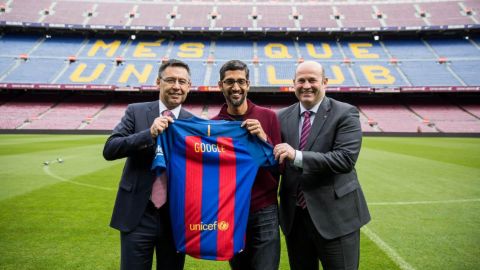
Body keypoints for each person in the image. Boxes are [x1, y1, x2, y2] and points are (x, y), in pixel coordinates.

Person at [273, 61, 371, 270]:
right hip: (295, 219)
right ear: (293, 84)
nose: (306, 85)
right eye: (301, 80)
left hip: (336, 217)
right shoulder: (280, 117)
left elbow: (344, 159)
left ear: (324, 82)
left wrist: (296, 155)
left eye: (312, 80)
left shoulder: (345, 113)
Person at [103, 59, 194, 270]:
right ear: (158, 82)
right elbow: (110, 149)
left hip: (175, 218)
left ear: (189, 86)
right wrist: (148, 134)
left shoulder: (194, 123)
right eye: (170, 80)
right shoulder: (136, 111)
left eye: (182, 81)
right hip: (137, 215)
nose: (176, 86)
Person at [212, 60, 281, 270]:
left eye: (241, 81)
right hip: (231, 211)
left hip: (265, 209)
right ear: (220, 85)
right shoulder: (213, 125)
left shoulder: (268, 117)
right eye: (229, 82)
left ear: (248, 84)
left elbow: (280, 168)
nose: (235, 87)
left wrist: (263, 139)